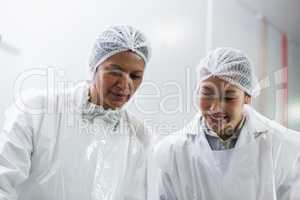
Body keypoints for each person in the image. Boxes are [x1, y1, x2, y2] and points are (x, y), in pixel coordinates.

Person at [0, 25, 151, 200]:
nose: (125, 85)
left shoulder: (138, 136)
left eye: (135, 76)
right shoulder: (37, 111)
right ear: (94, 67)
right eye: (115, 71)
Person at [155, 47, 300, 200]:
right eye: (207, 94)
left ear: (247, 97)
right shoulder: (171, 151)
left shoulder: (284, 147)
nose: (215, 107)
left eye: (229, 97)